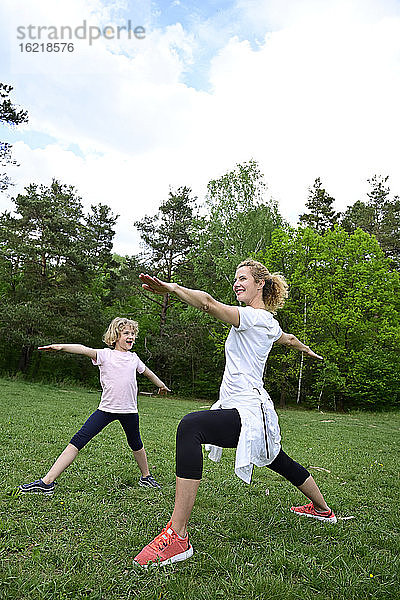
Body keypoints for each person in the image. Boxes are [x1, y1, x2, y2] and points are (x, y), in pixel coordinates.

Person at [133, 259, 336, 567]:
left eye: (243, 278)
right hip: (249, 410)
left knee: (191, 427)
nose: (237, 283)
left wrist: (172, 288)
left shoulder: (253, 317)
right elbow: (287, 339)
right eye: (235, 278)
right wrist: (303, 348)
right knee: (278, 460)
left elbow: (208, 304)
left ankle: (177, 535)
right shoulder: (269, 323)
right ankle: (323, 510)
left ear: (260, 285)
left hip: (250, 410)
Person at [19, 317, 170, 495]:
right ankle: (47, 482)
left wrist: (161, 385)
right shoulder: (105, 354)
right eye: (127, 333)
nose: (132, 337)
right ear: (116, 336)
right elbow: (83, 349)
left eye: (133, 334)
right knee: (78, 440)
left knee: (136, 444)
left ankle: (146, 477)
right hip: (106, 410)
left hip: (129, 411)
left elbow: (148, 373)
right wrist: (61, 346)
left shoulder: (133, 358)